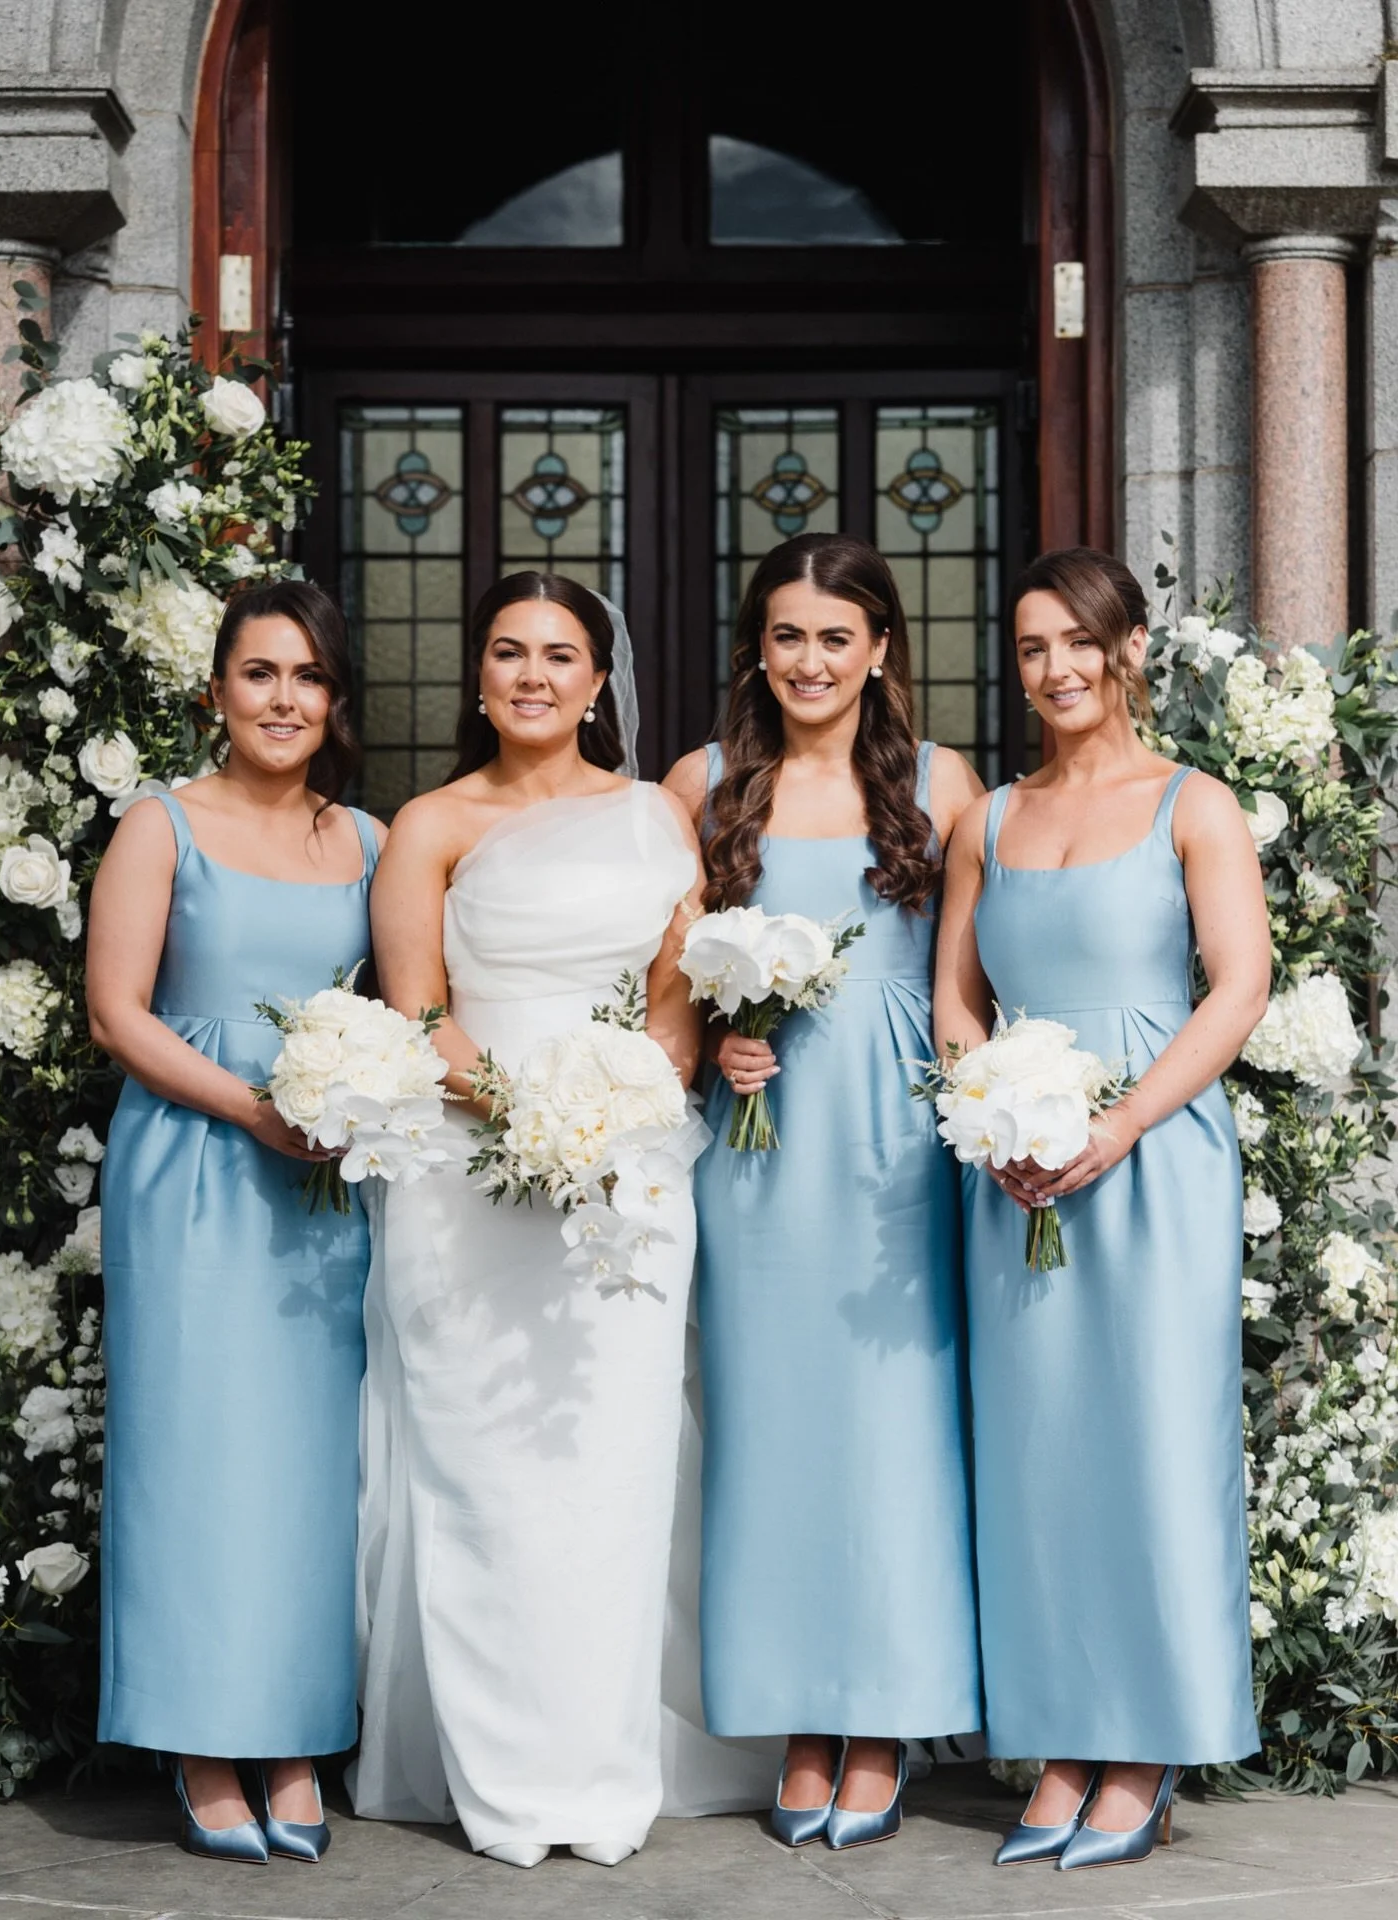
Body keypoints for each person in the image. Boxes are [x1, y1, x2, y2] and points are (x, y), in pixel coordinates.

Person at [349, 572, 771, 1869]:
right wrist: (529, 1116)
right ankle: (506, 1778)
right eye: (508, 652)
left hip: (628, 1174)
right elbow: (418, 1014)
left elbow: (674, 1002)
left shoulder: (655, 816)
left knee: (612, 1468)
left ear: (598, 683)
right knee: (484, 1473)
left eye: (559, 655)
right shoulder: (428, 825)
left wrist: (613, 1117)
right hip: (465, 1181)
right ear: (479, 677)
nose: (532, 675)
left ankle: (604, 1759)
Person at [934, 546, 1269, 1871]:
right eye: (1033, 648)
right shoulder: (987, 821)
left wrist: (1120, 1124)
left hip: (1156, 1158)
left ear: (1129, 648)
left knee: (1156, 1448)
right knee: (1041, 1456)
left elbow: (1237, 987)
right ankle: (1064, 1740)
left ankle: (1147, 1748)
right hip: (1016, 1170)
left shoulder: (1195, 805)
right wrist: (990, 1110)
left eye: (1079, 641)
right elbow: (955, 997)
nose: (1057, 668)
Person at [665, 532, 986, 1851]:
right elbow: (662, 982)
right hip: (762, 1143)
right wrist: (716, 1045)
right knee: (774, 1426)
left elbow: (976, 970)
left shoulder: (942, 782)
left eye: (836, 637)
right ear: (757, 648)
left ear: (880, 650)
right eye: (788, 635)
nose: (810, 661)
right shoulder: (698, 784)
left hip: (898, 1136)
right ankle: (801, 1715)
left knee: (896, 1431)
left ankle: (888, 1713)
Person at [88, 580, 384, 1863]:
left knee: (310, 1465)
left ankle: (295, 1731)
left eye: (308, 676)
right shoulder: (160, 823)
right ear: (216, 690)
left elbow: (403, 1005)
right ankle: (205, 1741)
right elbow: (118, 1013)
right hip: (195, 1167)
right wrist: (254, 1109)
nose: (283, 699)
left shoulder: (367, 841)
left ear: (336, 699)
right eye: (260, 673)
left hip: (325, 1183)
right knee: (196, 1451)